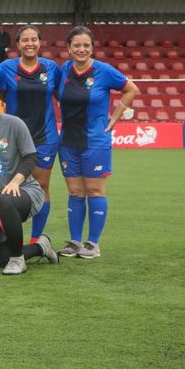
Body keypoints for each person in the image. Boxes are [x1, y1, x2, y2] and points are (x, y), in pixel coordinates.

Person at [56, 26, 139, 259]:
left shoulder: (104, 71)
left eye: (86, 45)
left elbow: (131, 90)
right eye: (77, 45)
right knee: (74, 191)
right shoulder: (64, 70)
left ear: (92, 48)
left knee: (94, 190)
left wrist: (115, 117)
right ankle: (74, 242)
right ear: (69, 48)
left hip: (95, 142)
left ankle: (92, 244)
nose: (81, 49)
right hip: (68, 142)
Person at [0, 82, 59, 275]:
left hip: (25, 193)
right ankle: (42, 246)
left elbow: (30, 157)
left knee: (5, 199)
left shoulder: (14, 123)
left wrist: (15, 181)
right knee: (0, 260)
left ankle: (18, 260)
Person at [0, 25, 60, 243]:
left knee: (42, 187)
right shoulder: (6, 67)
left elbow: (65, 95)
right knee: (8, 186)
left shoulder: (51, 68)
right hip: (14, 139)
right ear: (18, 44)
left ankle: (35, 239)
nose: (30, 43)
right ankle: (8, 236)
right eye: (25, 40)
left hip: (45, 138)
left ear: (39, 42)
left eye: (34, 39)